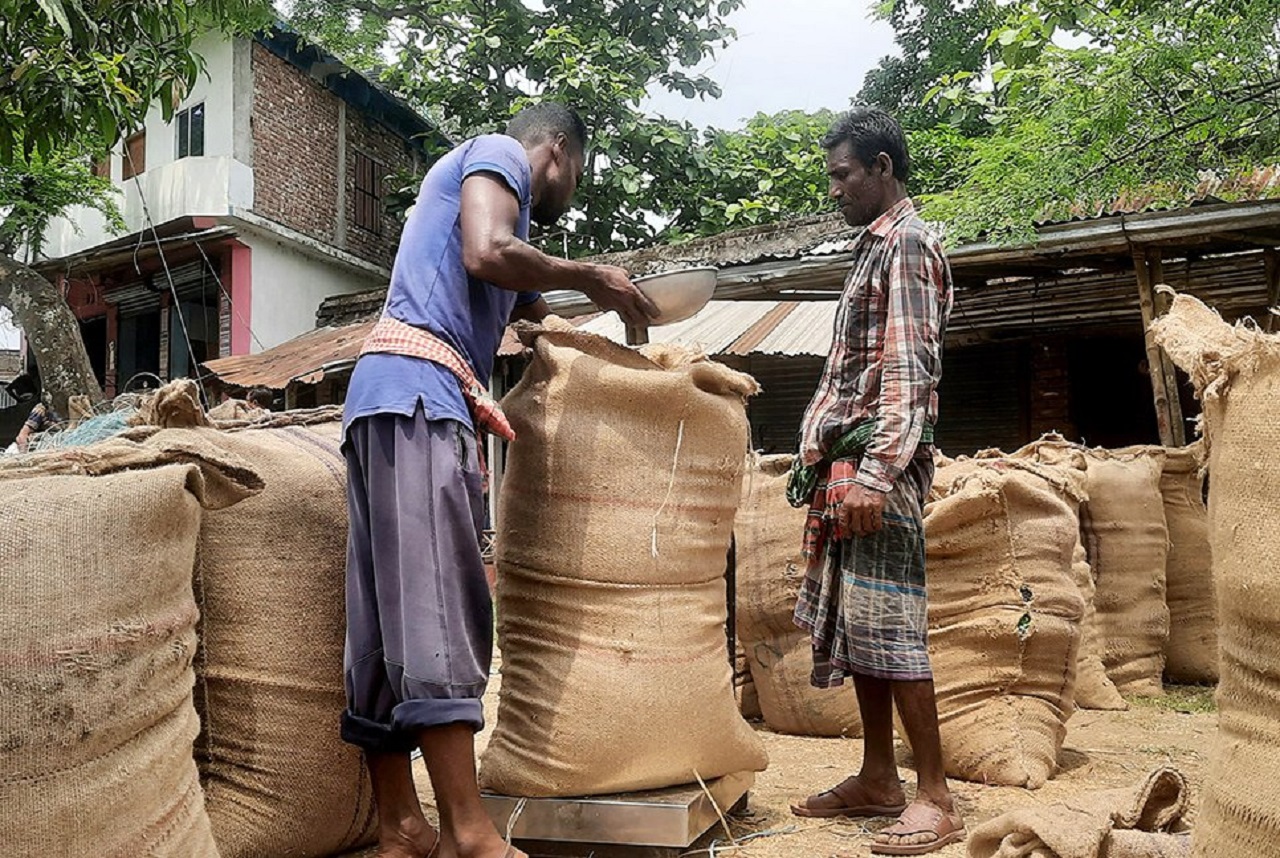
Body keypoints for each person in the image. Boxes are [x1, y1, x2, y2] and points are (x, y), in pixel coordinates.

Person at [340, 102, 657, 858]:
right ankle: (470, 835)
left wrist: (622, 346)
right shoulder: (496, 155)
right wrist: (596, 274)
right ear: (558, 151)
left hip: (384, 400)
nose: (571, 189)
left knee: (384, 620)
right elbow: (488, 251)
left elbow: (544, 326)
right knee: (438, 612)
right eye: (577, 173)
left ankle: (402, 826)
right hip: (419, 395)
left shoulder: (517, 248)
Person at [787, 108, 961, 856]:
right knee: (860, 628)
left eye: (843, 174)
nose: (835, 189)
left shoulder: (911, 244)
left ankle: (936, 796)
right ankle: (877, 777)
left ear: (882, 168)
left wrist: (878, 474)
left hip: (875, 468)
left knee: (890, 626)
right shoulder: (871, 250)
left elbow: (907, 368)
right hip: (848, 465)